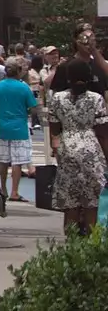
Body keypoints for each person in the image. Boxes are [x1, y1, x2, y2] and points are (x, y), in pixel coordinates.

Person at [46, 58, 108, 236]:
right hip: (91, 150)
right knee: (92, 203)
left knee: (70, 204)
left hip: (67, 149)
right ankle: (90, 247)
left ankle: (71, 247)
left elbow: (55, 128)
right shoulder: (96, 99)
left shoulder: (57, 98)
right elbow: (103, 133)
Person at [0, 57, 40, 203]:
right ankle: (14, 191)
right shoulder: (23, 87)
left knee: (4, 160)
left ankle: (2, 188)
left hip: (3, 126)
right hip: (20, 127)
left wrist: (1, 110)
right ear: (18, 71)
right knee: (17, 161)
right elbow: (33, 108)